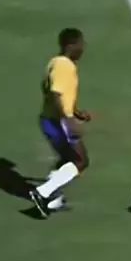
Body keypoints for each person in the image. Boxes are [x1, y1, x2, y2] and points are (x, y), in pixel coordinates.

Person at [29, 28, 91, 218]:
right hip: (58, 122)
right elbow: (56, 94)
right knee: (81, 161)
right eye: (80, 44)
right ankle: (42, 193)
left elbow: (48, 89)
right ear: (70, 45)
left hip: (51, 119)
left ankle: (52, 197)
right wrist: (68, 118)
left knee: (66, 159)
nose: (83, 48)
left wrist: (75, 110)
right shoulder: (65, 66)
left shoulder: (54, 62)